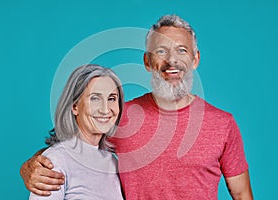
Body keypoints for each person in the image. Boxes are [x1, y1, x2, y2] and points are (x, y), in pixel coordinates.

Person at [21, 15, 253, 199]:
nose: (171, 60)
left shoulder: (223, 124)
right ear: (147, 62)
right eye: (161, 51)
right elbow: (75, 150)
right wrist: (31, 165)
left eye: (181, 50)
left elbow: (242, 194)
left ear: (195, 59)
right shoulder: (119, 117)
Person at [28, 64, 125, 200]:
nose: (105, 109)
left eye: (112, 98)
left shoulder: (112, 162)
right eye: (95, 98)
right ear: (75, 106)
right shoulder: (55, 161)